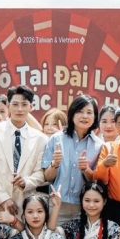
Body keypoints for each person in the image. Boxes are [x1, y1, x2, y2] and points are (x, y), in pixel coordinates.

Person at [0, 85, 48, 217]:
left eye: (24, 104)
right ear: (8, 106)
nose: (19, 109)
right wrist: (3, 198)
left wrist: (27, 182)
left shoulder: (41, 139)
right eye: (15, 104)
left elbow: (41, 173)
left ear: (31, 107)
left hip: (26, 207)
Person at [41, 95, 102, 226]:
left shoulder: (99, 145)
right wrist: (55, 164)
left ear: (95, 117)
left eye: (89, 112)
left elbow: (97, 181)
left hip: (85, 208)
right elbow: (48, 177)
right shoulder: (56, 139)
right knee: (54, 238)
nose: (84, 116)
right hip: (57, 205)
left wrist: (86, 170)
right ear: (72, 114)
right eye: (80, 111)